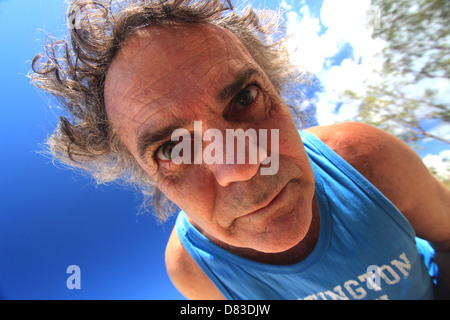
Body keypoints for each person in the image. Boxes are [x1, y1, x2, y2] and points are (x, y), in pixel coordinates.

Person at [31, 0, 449, 300]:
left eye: (245, 99)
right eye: (174, 148)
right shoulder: (194, 271)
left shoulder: (366, 160)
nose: (242, 165)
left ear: (279, 95)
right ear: (150, 177)